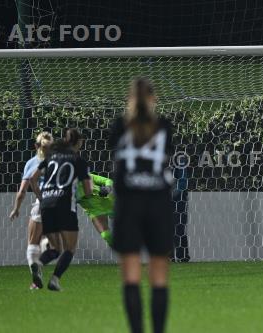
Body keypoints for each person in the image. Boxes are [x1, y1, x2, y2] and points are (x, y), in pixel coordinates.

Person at [110, 78, 174, 333]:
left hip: (129, 205)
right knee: (159, 276)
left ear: (129, 100)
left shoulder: (118, 126)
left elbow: (118, 158)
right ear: (153, 99)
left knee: (131, 276)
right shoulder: (165, 127)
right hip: (158, 203)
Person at [30, 129, 92, 291]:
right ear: (78, 142)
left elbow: (33, 178)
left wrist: (42, 197)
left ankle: (38, 264)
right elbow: (88, 192)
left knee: (56, 249)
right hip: (64, 205)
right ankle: (54, 280)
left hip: (46, 205)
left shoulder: (51, 157)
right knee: (70, 248)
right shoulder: (78, 160)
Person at [9, 131, 56, 289]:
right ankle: (46, 252)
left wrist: (16, 208)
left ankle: (35, 275)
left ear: (36, 146)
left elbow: (22, 191)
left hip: (43, 203)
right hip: (61, 205)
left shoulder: (33, 163)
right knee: (50, 241)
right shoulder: (60, 161)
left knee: (32, 243)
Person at [77, 173, 114, 245]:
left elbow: (108, 180)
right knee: (106, 234)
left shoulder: (87, 176)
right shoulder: (66, 186)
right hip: (94, 210)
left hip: (110, 202)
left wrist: (108, 188)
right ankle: (122, 251)